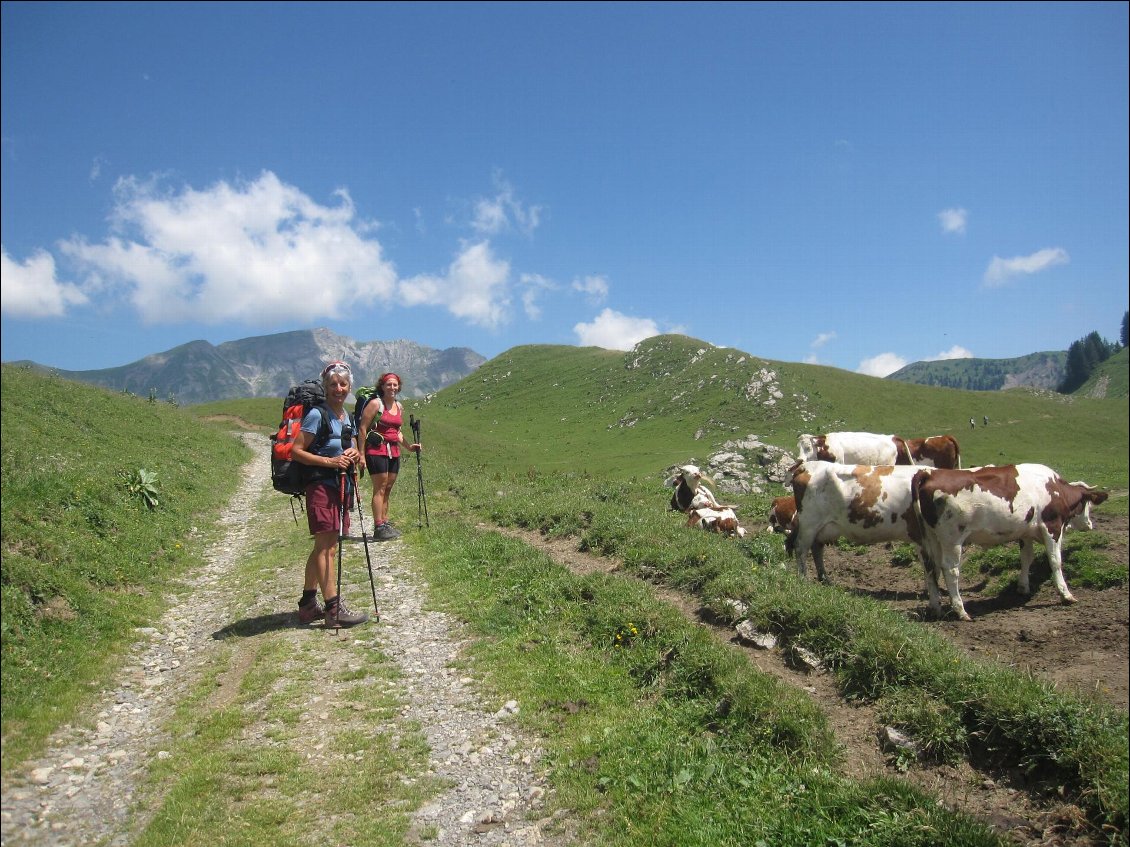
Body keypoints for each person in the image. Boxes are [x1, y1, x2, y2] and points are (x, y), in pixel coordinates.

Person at [291, 360, 368, 628]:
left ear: (349, 386)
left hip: (341, 485)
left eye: (343, 384)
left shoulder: (346, 416)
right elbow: (296, 451)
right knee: (328, 548)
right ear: (325, 387)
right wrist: (331, 463)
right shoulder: (317, 414)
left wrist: (355, 454)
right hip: (321, 484)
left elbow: (352, 447)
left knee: (323, 546)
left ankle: (308, 604)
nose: (339, 388)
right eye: (333, 384)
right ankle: (333, 609)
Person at [357, 372, 421, 541]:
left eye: (395, 385)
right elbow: (362, 428)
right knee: (380, 487)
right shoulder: (375, 404)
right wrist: (361, 455)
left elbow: (397, 432)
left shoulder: (399, 407)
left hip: (393, 450)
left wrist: (408, 446)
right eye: (389, 385)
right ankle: (379, 526)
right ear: (382, 387)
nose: (392, 388)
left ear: (398, 387)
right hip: (376, 450)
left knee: (388, 487)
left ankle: (385, 522)